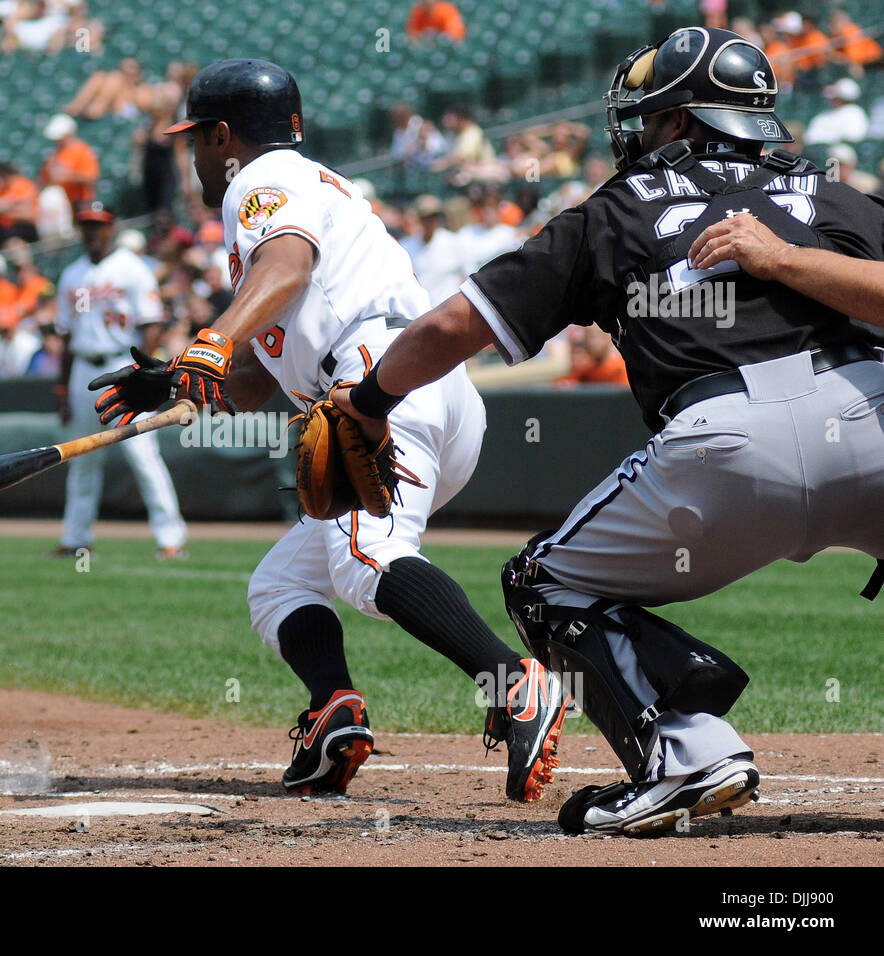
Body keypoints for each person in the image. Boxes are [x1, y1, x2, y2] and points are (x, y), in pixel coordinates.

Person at [330, 26, 884, 835]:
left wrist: (370, 400)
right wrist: (794, 260)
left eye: (651, 115)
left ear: (685, 121)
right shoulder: (832, 196)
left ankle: (686, 750)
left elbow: (452, 326)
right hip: (873, 418)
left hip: (727, 447)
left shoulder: (613, 211)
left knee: (543, 583)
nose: (637, 130)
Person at [90, 59, 567, 799]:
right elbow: (259, 380)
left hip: (379, 382)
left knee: (366, 558)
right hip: (420, 386)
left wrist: (211, 339)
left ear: (223, 137)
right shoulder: (307, 183)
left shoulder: (259, 179)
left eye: (196, 141)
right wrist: (172, 379)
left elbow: (286, 266)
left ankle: (513, 683)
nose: (193, 157)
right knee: (281, 585)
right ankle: (334, 716)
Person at [55, 203, 187, 561]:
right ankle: (75, 539)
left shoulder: (132, 269)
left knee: (142, 455)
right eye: (86, 224)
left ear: (111, 228)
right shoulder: (71, 274)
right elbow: (65, 338)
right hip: (84, 367)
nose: (92, 231)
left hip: (122, 366)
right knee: (81, 457)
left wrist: (144, 374)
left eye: (98, 225)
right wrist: (62, 389)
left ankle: (170, 538)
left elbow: (151, 325)